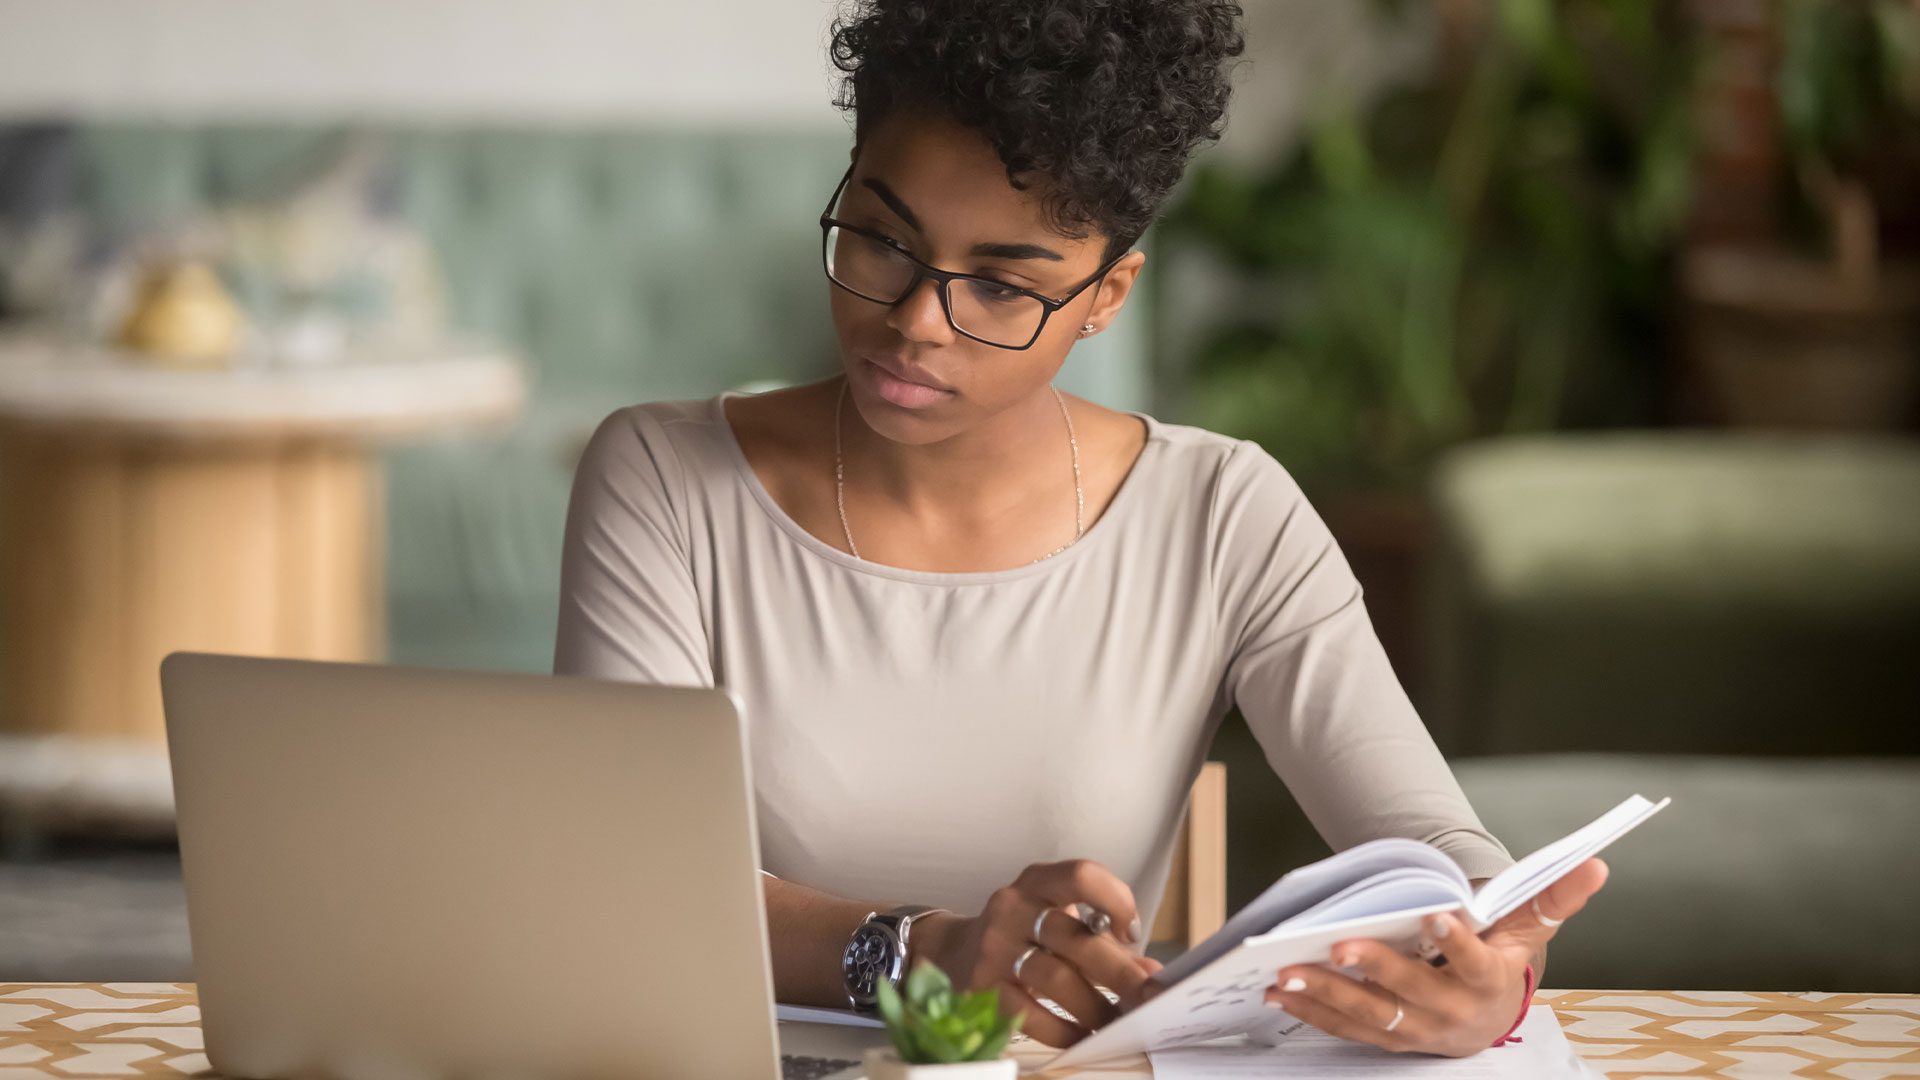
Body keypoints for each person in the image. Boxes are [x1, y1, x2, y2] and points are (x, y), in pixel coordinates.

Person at [554, 0, 1607, 1057]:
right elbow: (621, 876)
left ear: (1107, 296)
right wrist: (923, 954)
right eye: (882, 240)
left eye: (1004, 286)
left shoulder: (1220, 512)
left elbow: (1439, 855)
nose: (917, 322)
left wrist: (1491, 974)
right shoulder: (664, 479)